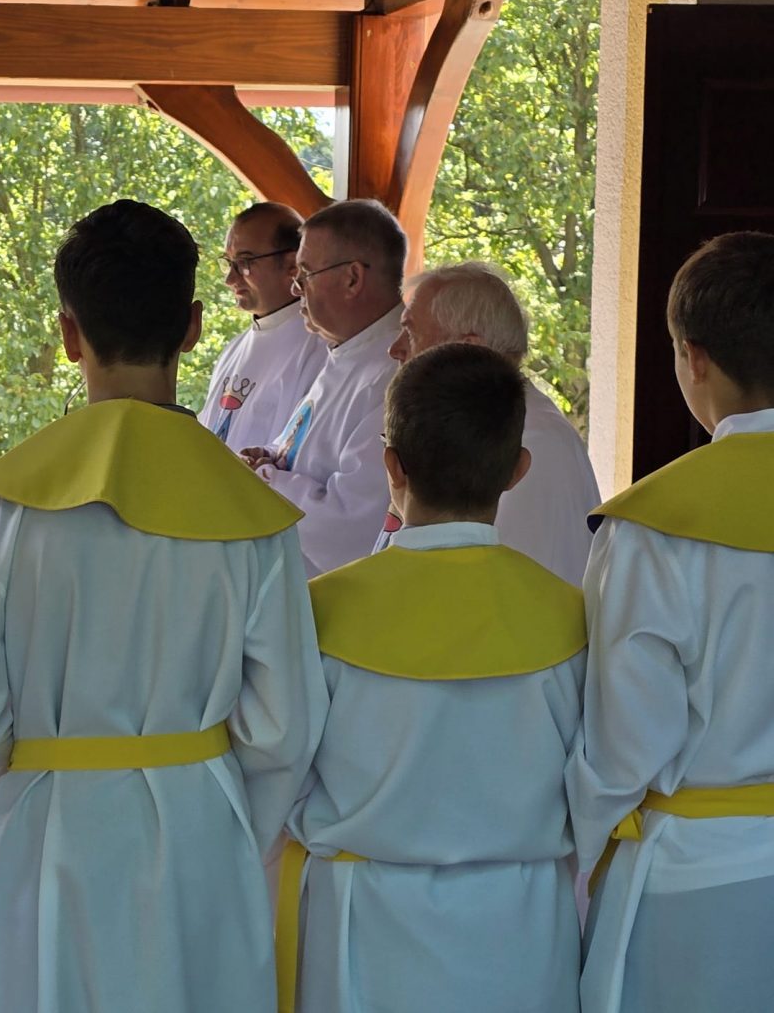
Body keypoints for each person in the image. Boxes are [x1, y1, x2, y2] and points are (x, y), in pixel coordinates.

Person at [0, 199, 327, 1013]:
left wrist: (23, 808)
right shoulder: (251, 513)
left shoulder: (7, 507)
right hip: (200, 836)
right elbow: (283, 725)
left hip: (43, 836)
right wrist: (218, 821)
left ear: (69, 333)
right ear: (193, 327)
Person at [286, 342, 585, 1013]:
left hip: (363, 926)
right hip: (521, 924)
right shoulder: (568, 616)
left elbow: (280, 764)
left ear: (390, 464)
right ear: (518, 469)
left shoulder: (319, 611)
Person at [568, 231, 774, 1013]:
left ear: (692, 358)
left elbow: (624, 741)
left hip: (697, 872)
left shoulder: (652, 526)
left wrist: (575, 847)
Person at [379, 261, 601, 584]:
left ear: (467, 348)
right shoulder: (479, 425)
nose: (394, 349)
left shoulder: (530, 438)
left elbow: (509, 589)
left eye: (410, 332)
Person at [243, 198, 405, 577]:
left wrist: (264, 478)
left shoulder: (394, 373)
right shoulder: (346, 351)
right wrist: (271, 454)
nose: (296, 288)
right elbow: (307, 450)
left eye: (305, 274)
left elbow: (352, 523)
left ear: (352, 278)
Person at [199, 202, 327, 452]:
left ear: (293, 265)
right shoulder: (234, 349)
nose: (229, 279)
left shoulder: (320, 350)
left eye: (244, 263)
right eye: (228, 262)